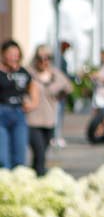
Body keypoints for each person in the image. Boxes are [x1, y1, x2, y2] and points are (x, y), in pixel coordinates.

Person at [0, 42, 39, 171]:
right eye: (11, 54)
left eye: (16, 55)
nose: (14, 58)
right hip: (2, 113)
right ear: (3, 55)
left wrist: (33, 103)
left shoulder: (23, 72)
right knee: (3, 157)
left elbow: (33, 87)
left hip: (18, 113)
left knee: (20, 155)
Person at [27, 47, 63, 175]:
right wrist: (27, 102)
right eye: (40, 58)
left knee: (41, 155)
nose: (44, 61)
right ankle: (40, 176)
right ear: (35, 58)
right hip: (33, 120)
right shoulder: (29, 73)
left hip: (49, 120)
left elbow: (67, 86)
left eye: (47, 58)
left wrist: (57, 91)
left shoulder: (54, 74)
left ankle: (33, 176)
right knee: (39, 152)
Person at [85, 50, 104, 145]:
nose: (100, 58)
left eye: (102, 56)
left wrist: (100, 78)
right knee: (96, 116)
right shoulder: (102, 67)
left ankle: (101, 132)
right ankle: (95, 133)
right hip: (98, 94)